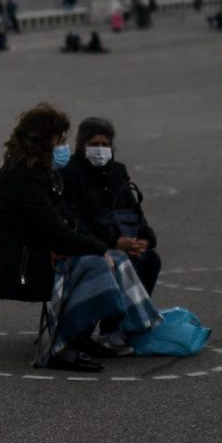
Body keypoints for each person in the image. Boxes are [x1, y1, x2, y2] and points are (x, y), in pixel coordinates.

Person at [0, 104, 120, 373]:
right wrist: (98, 251)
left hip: (24, 256)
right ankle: (61, 346)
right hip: (8, 267)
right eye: (60, 139)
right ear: (43, 140)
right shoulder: (23, 177)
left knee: (98, 259)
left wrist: (101, 248)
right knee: (91, 265)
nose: (63, 147)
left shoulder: (40, 173)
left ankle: (78, 338)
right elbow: (52, 231)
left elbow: (66, 220)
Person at [63, 116, 159, 355]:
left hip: (123, 239)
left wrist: (144, 238)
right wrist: (114, 242)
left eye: (106, 145)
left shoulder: (118, 171)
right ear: (82, 145)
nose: (101, 150)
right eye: (95, 144)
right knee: (115, 262)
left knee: (149, 259)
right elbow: (77, 220)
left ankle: (118, 325)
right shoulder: (71, 173)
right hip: (93, 242)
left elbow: (133, 210)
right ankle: (102, 329)